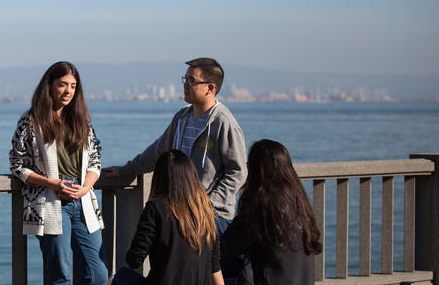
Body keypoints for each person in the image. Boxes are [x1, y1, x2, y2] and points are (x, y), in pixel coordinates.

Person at [104, 57, 246, 234]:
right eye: (185, 79)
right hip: (182, 214)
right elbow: (158, 151)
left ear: (210, 88)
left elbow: (238, 172)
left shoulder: (223, 122)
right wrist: (127, 169)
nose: (186, 85)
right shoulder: (182, 118)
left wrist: (209, 205)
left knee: (212, 262)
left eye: (192, 81)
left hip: (212, 219)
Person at [9, 61, 109, 285]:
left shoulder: (82, 119)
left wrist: (85, 187)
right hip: (49, 200)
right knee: (59, 275)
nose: (68, 91)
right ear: (50, 86)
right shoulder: (31, 120)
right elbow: (17, 164)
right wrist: (51, 183)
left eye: (73, 86)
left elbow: (95, 159)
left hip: (82, 199)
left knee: (98, 274)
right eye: (62, 85)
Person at [114, 150, 224, 285]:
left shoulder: (156, 208)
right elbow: (215, 270)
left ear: (159, 178)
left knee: (122, 276)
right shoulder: (206, 211)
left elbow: (134, 260)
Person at [221, 139, 322, 285]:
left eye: (249, 162)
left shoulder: (261, 203)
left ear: (257, 169)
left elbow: (226, 249)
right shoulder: (298, 199)